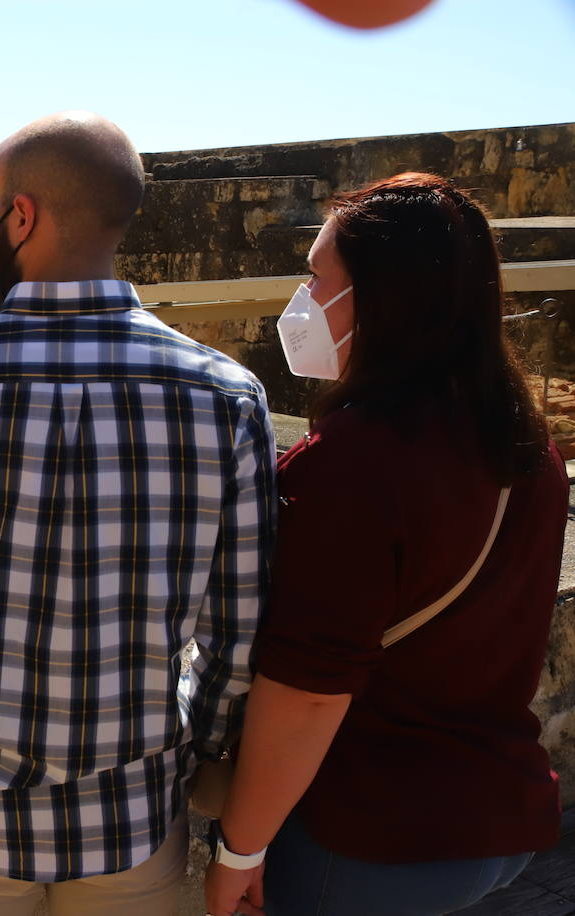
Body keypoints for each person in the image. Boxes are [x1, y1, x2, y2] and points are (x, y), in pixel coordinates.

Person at [0, 111, 277, 915]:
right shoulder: (226, 396)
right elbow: (237, 630)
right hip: (133, 812)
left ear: (22, 217)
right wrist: (201, 750)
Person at [204, 173, 566, 916]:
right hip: (500, 815)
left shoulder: (353, 465)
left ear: (378, 297)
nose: (302, 298)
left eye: (315, 276)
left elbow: (307, 694)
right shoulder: (528, 445)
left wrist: (239, 849)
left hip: (378, 837)